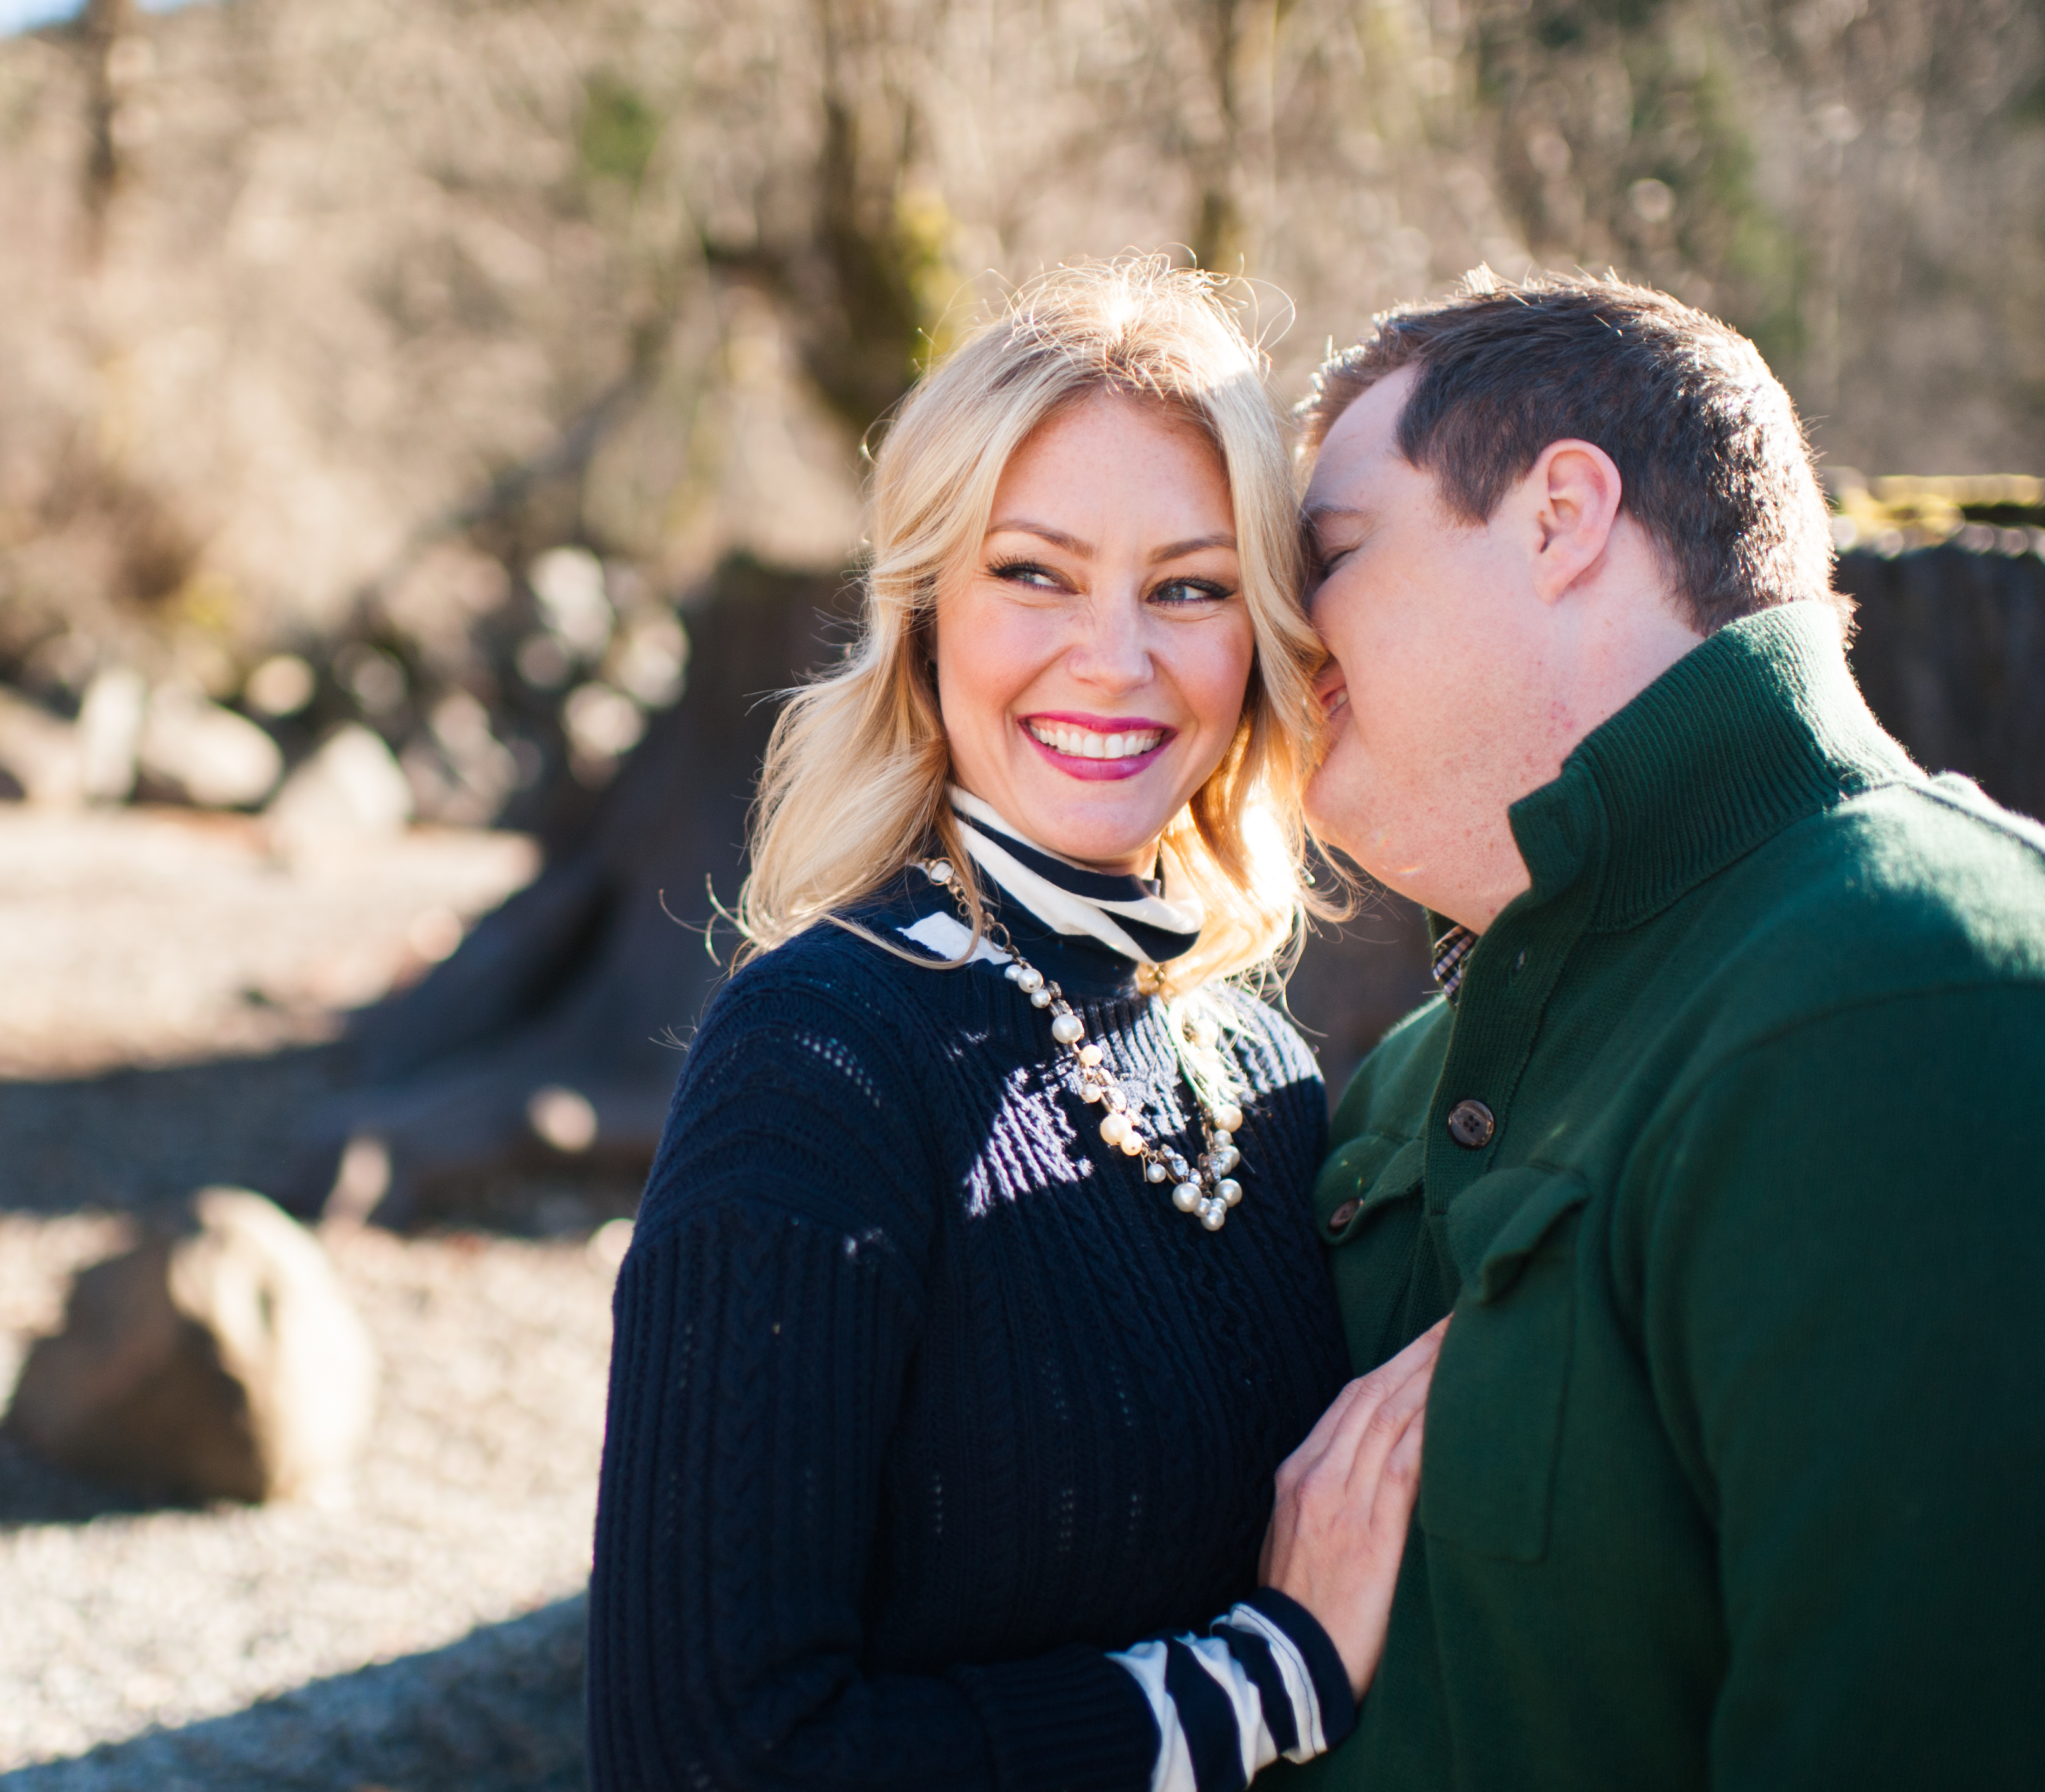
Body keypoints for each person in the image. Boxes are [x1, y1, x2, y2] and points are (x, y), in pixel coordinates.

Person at [588, 258, 1442, 1792]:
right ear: (923, 612)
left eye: (1186, 586)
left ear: (1258, 635)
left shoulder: (1261, 1071)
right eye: (1034, 572)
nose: (1113, 659)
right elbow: (708, 1754)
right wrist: (1266, 1679)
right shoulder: (819, 1059)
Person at [1284, 271, 2045, 1790]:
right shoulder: (1404, 1088)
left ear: (1561, 513)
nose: (1276, 625)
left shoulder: (1917, 993)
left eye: (1331, 555)